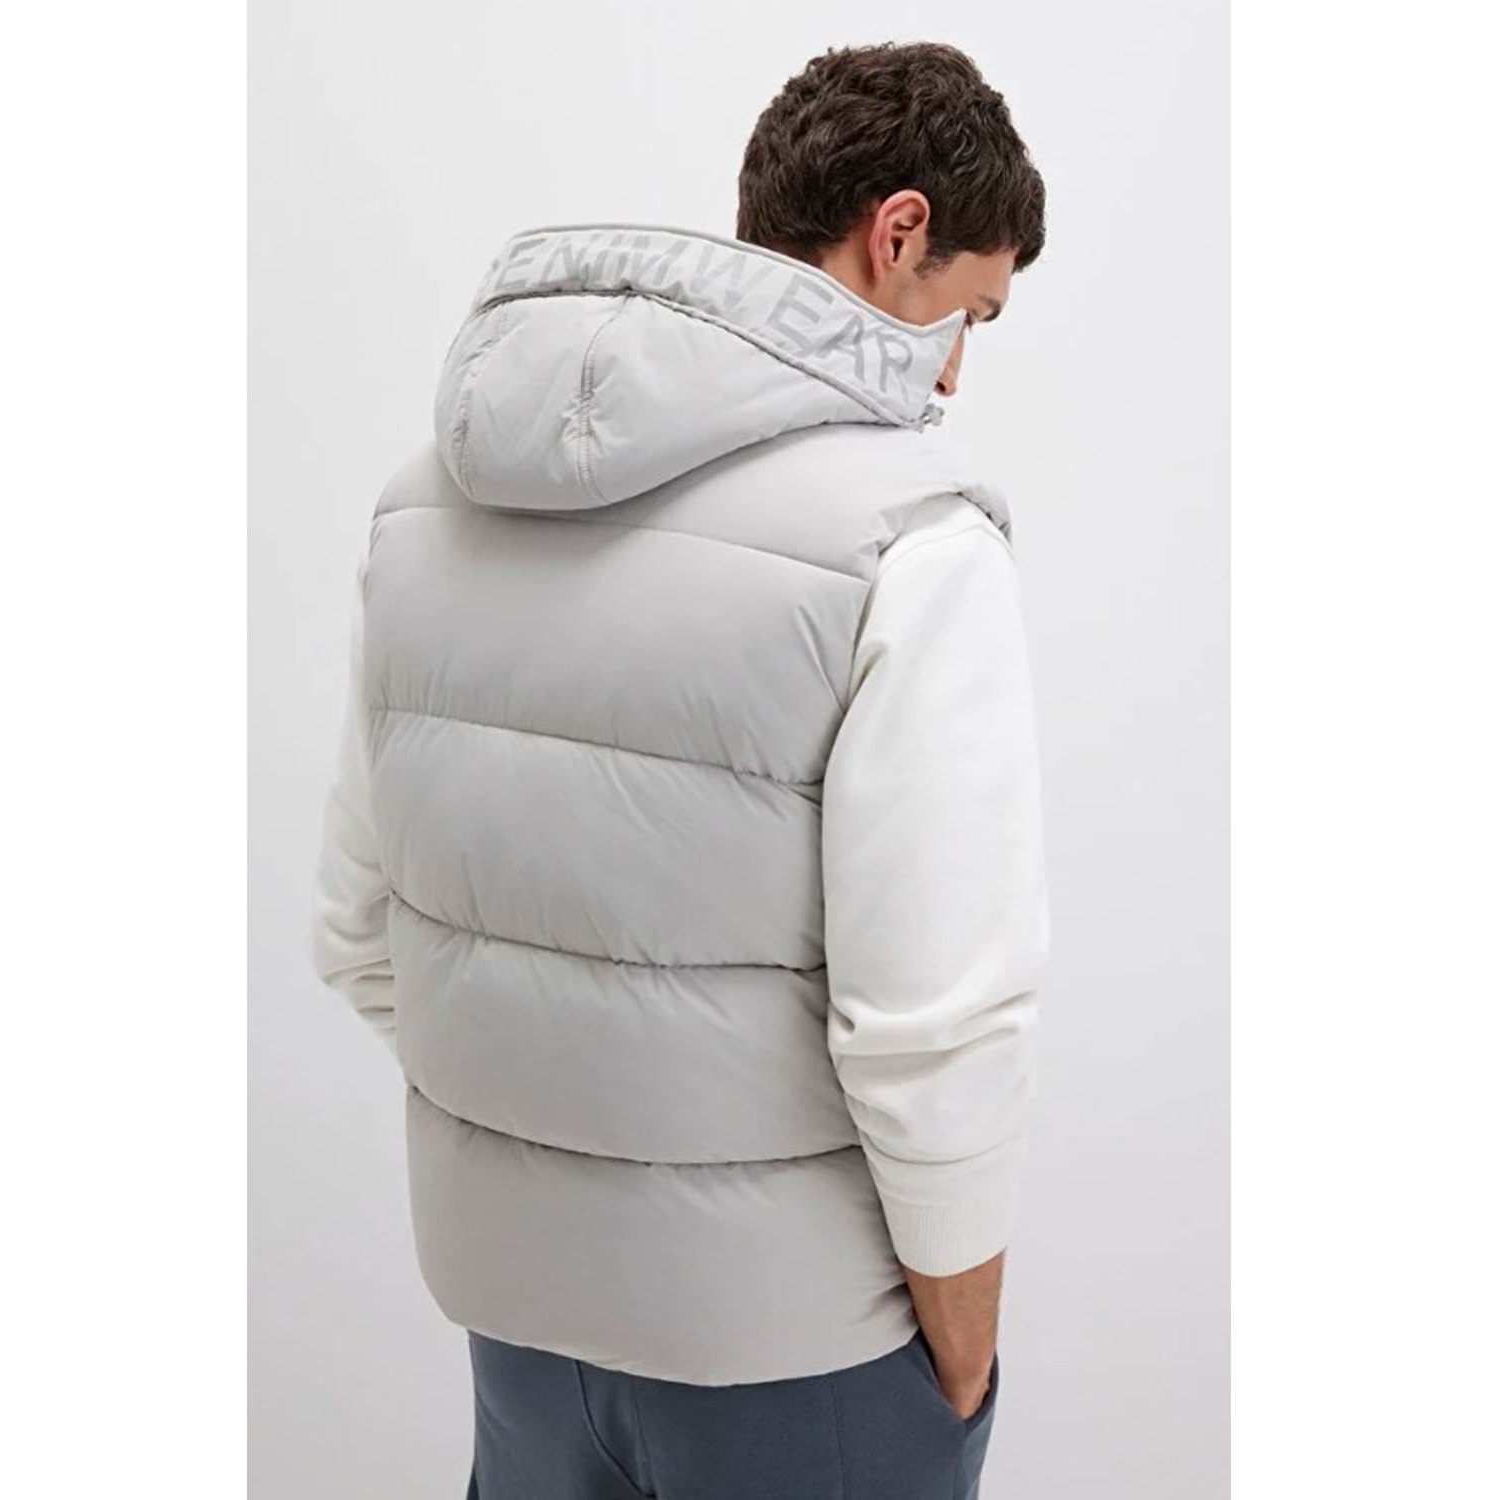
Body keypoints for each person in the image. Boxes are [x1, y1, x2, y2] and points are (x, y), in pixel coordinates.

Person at [312, 40, 1049, 1500]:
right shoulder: (909, 544)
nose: (958, 371)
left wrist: (566, 1155)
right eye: (969, 312)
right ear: (897, 231)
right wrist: (962, 1353)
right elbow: (937, 1030)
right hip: (801, 1355)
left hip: (519, 1326)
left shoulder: (426, 507)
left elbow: (359, 930)